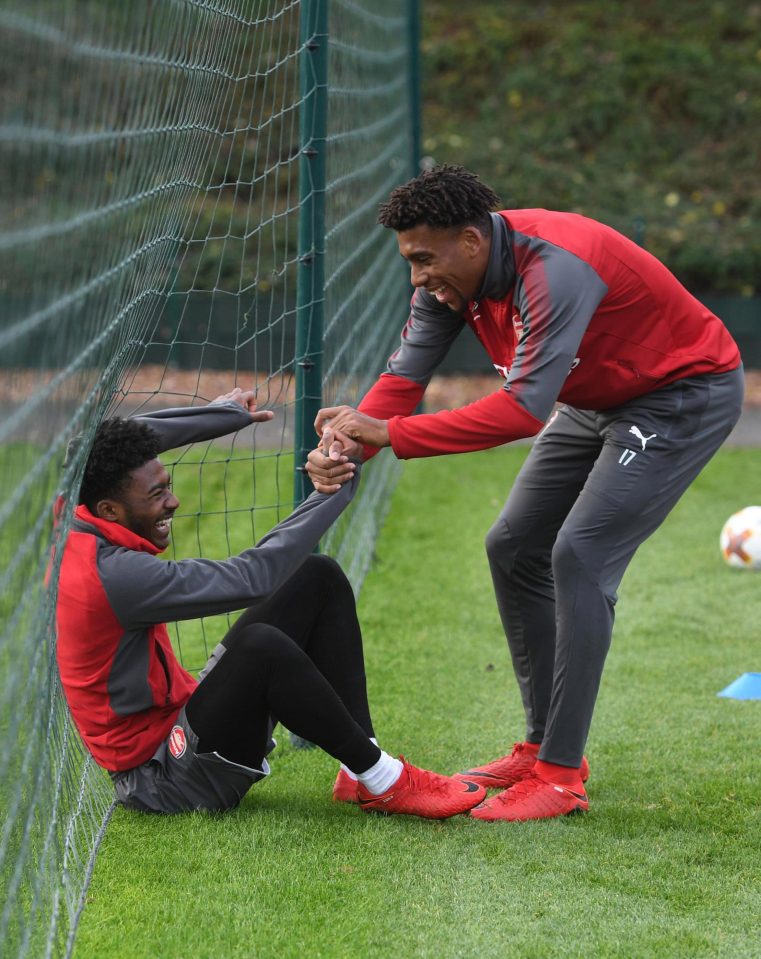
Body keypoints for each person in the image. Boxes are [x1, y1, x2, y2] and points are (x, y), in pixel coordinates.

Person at [305, 165, 744, 822]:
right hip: (593, 400)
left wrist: (387, 435)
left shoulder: (554, 269)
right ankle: (541, 745)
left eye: (425, 258)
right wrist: (345, 445)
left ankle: (561, 776)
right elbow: (402, 381)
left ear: (471, 241)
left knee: (581, 554)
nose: (417, 277)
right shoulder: (449, 286)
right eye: (409, 262)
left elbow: (520, 411)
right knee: (512, 544)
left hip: (679, 395)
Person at [55, 387, 486, 818]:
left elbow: (133, 437)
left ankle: (361, 772)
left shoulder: (79, 501)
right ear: (109, 510)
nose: (174, 501)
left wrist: (222, 417)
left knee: (316, 576)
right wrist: (336, 486)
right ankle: (385, 779)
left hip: (178, 720)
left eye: (167, 486)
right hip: (162, 777)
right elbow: (252, 577)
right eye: (156, 495)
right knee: (260, 647)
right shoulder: (111, 576)